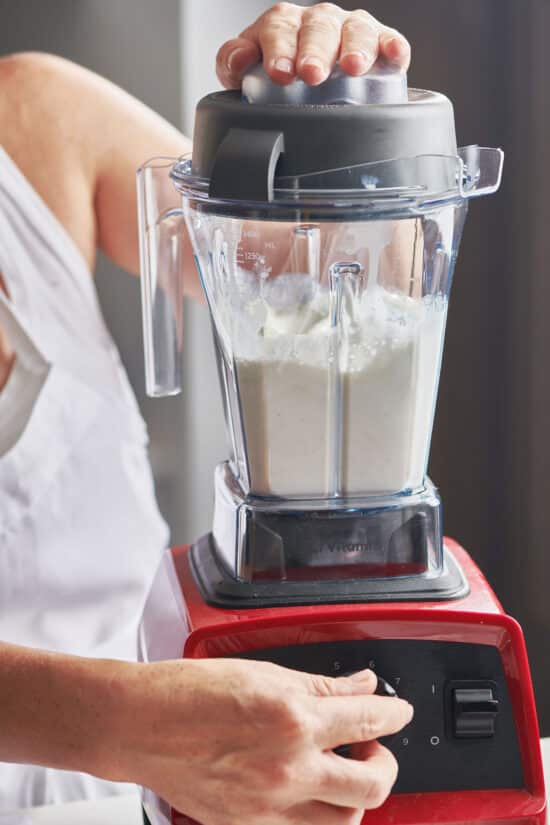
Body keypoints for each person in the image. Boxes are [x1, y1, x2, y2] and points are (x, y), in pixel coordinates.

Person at [0, 4, 413, 823]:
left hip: (184, 783)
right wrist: (133, 722)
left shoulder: (34, 120)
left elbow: (350, 280)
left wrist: (346, 117)